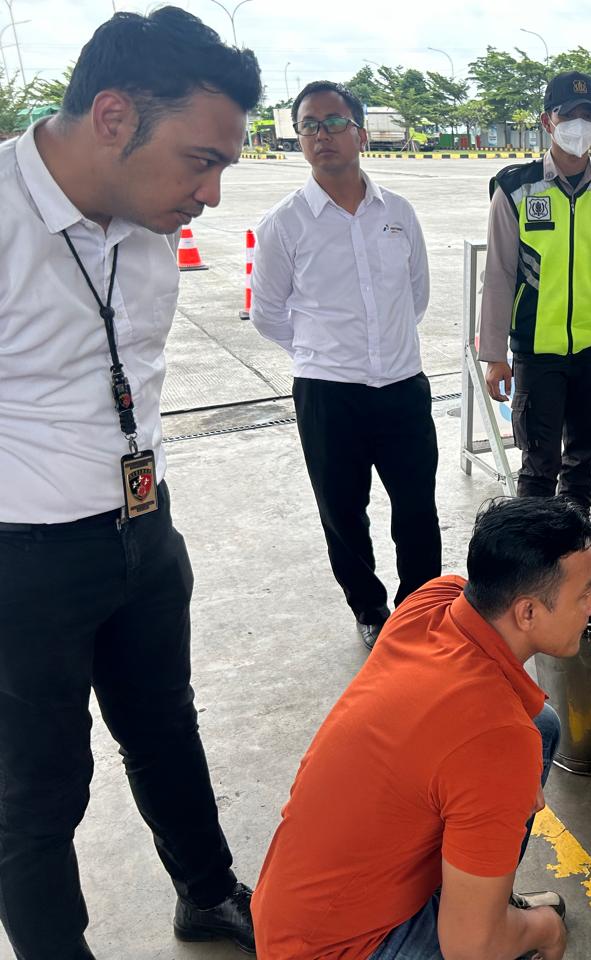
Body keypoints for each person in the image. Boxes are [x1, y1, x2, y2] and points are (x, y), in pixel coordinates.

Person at [0, 9, 261, 958]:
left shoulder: (151, 228)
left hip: (143, 531)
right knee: (36, 795)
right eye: (200, 160)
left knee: (164, 728)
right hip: (21, 561)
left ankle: (207, 892)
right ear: (113, 116)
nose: (212, 194)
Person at [252, 496, 591, 960]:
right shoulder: (498, 741)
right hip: (342, 950)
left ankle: (484, 904)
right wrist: (546, 930)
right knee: (491, 938)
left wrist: (504, 787)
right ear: (528, 613)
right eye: (584, 593)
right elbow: (471, 952)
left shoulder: (436, 600)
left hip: (289, 909)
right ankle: (492, 918)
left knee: (541, 726)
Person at [251, 81, 440, 649]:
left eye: (333, 122)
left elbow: (417, 295)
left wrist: (381, 347)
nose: (321, 135)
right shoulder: (284, 223)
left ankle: (420, 607)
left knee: (416, 508)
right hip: (328, 395)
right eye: (309, 125)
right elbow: (266, 313)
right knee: (343, 513)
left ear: (360, 131)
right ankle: (370, 609)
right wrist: (320, 353)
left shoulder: (398, 213)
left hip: (403, 387)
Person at [479, 71, 591, 512]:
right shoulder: (515, 189)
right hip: (536, 352)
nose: (580, 125)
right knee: (537, 469)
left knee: (584, 467)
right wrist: (494, 356)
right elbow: (497, 275)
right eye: (570, 114)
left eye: (590, 116)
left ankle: (574, 555)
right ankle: (536, 568)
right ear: (547, 122)